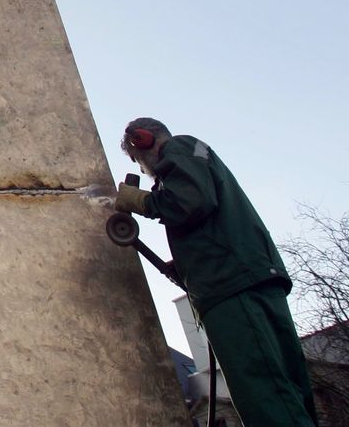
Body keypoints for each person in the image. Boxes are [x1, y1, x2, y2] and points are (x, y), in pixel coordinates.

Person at [116, 117, 319, 427]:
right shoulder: (196, 155)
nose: (144, 170)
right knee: (288, 390)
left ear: (141, 140)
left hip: (229, 287)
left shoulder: (179, 148)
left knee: (265, 395)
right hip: (251, 277)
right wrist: (184, 265)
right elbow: (206, 214)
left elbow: (190, 202)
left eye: (137, 160)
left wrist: (143, 201)